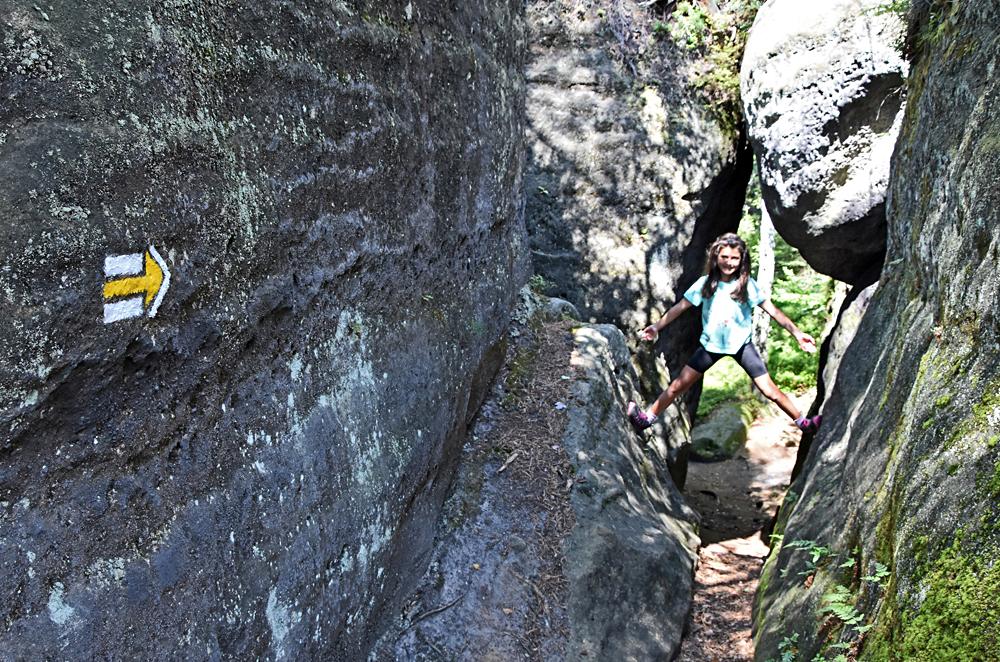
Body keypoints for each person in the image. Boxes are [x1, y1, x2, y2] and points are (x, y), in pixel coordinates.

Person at [627, 232, 822, 433]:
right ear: (716, 257)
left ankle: (803, 423)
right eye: (724, 257)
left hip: (742, 346)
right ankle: (646, 419)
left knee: (769, 390)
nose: (729, 262)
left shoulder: (746, 285)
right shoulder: (705, 284)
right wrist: (657, 326)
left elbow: (773, 311)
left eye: (734, 258)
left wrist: (796, 333)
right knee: (678, 386)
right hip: (710, 347)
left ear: (742, 260)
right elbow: (681, 307)